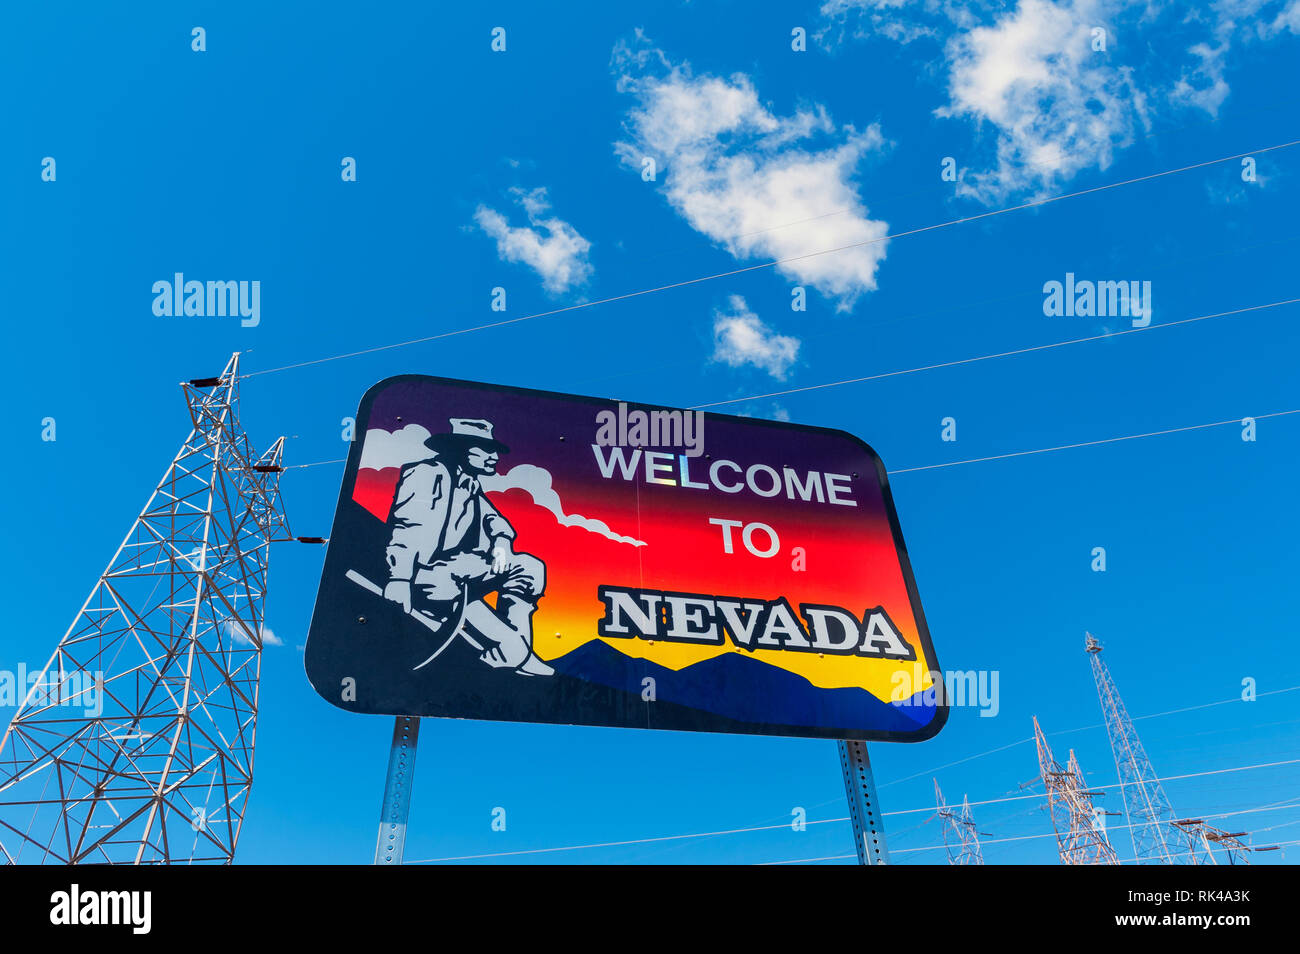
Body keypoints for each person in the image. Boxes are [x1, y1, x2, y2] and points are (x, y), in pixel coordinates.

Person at [382, 418, 552, 675]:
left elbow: (493, 518)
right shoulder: (427, 474)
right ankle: (513, 649)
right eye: (486, 449)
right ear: (461, 448)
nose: (495, 457)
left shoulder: (470, 483)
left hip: (460, 567)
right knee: (451, 582)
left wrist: (502, 542)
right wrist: (400, 579)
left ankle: (518, 651)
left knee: (529, 567)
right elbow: (407, 528)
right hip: (427, 575)